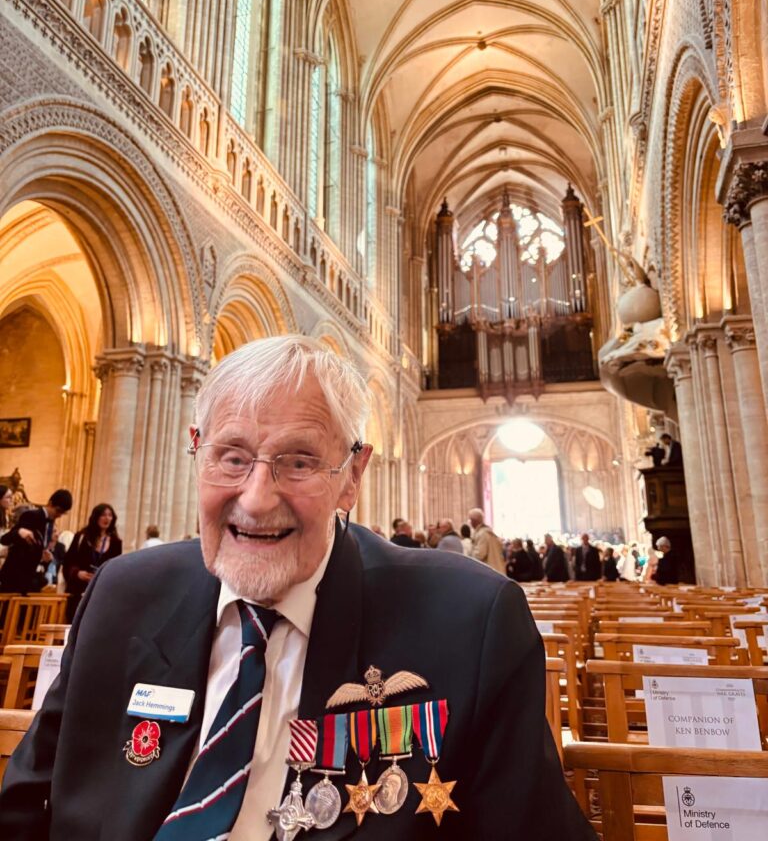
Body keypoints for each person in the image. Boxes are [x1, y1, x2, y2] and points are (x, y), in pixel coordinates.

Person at [0, 335, 595, 840]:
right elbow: (25, 804)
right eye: (231, 457)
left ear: (352, 475)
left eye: (299, 462)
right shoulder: (123, 594)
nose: (257, 499)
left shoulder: (469, 621)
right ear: (195, 448)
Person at [0, 489, 73, 594]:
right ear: (50, 503)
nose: (59, 515)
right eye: (58, 510)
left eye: (62, 513)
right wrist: (19, 532)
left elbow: (38, 548)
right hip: (14, 576)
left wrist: (44, 557)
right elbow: (5, 539)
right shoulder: (31, 515)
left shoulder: (51, 523)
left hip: (29, 579)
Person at [63, 504, 123, 621]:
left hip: (101, 593)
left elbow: (117, 569)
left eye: (110, 515)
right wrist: (77, 573)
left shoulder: (116, 542)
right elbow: (68, 561)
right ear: (96, 517)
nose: (107, 518)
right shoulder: (81, 537)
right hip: (78, 591)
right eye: (103, 515)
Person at [467, 507, 506, 574]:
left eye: (470, 520)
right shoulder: (488, 532)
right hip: (495, 570)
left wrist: (468, 557)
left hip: (489, 571)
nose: (470, 523)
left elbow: (479, 555)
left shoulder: (483, 534)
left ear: (474, 521)